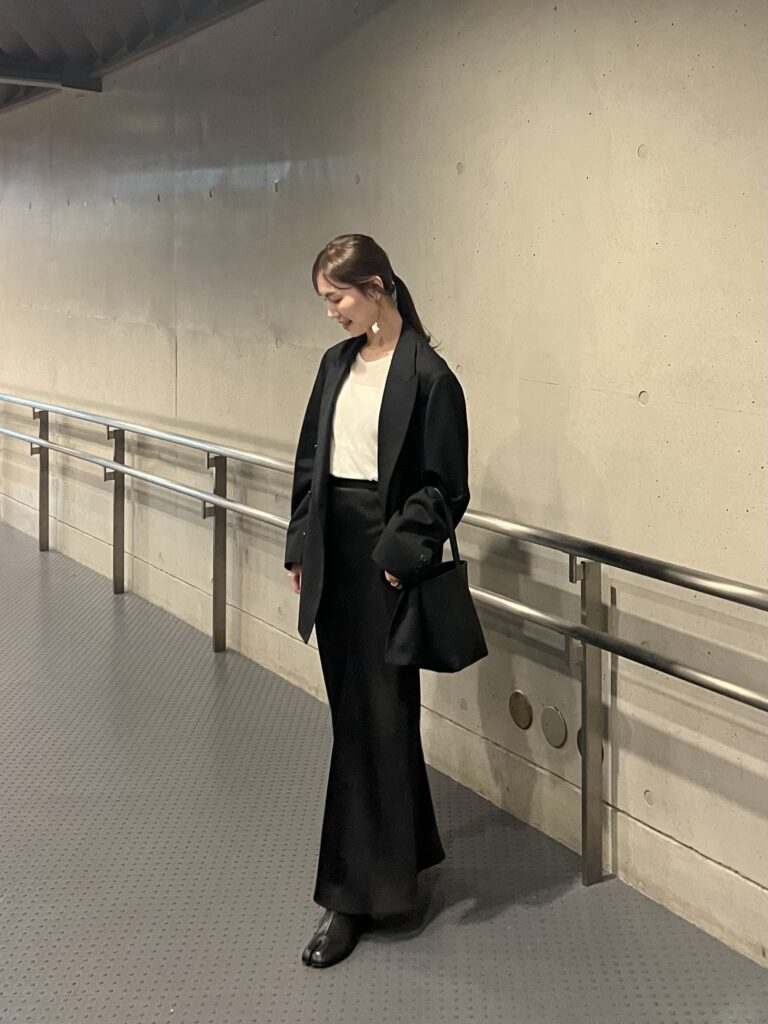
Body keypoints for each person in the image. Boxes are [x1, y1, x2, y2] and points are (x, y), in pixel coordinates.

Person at [284, 233, 470, 968]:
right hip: (334, 556)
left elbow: (445, 487)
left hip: (383, 561)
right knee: (362, 719)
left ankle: (352, 897)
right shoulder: (336, 364)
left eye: (337, 298)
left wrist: (397, 558)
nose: (331, 313)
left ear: (376, 287)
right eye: (327, 301)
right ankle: (401, 861)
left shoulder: (429, 376)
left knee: (378, 720)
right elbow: (311, 461)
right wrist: (301, 546)